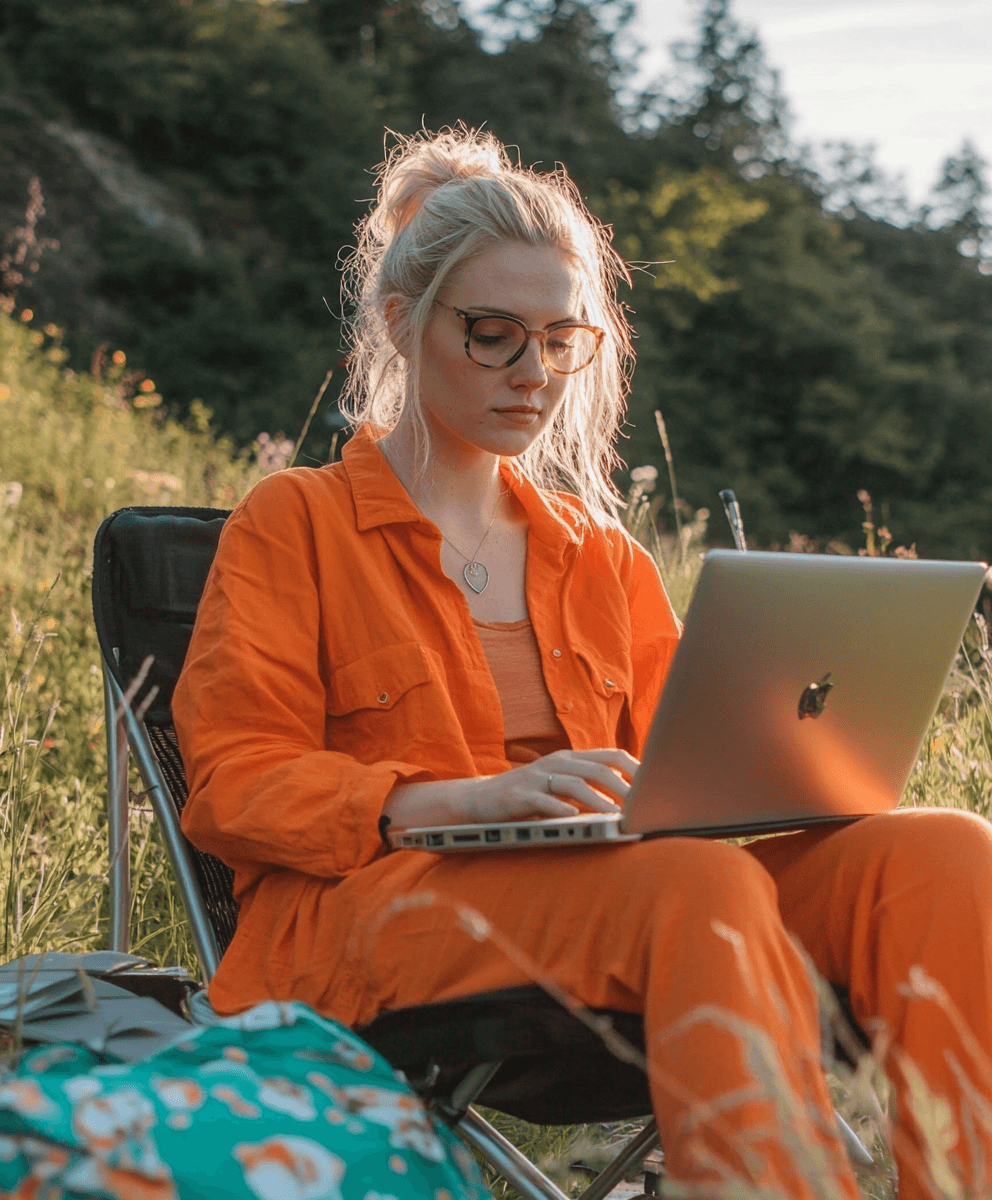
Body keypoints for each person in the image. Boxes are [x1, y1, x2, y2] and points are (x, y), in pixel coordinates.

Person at [173, 126, 992, 1200]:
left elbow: (681, 778)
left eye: (561, 339)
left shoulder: (599, 554)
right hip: (377, 921)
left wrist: (794, 764)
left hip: (631, 900)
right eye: (494, 335)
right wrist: (457, 801)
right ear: (399, 324)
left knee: (940, 852)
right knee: (689, 882)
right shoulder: (296, 524)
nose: (533, 373)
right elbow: (231, 786)